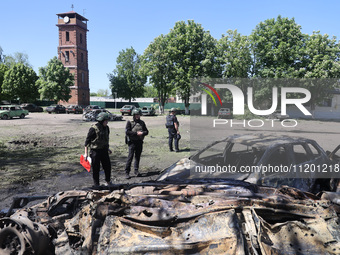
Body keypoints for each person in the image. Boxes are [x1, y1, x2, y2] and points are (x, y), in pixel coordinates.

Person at [84, 112, 112, 188]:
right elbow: (87, 142)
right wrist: (86, 154)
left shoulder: (107, 128)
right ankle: (96, 184)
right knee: (96, 168)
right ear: (101, 120)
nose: (107, 122)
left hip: (104, 150)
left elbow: (105, 140)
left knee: (107, 166)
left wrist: (108, 148)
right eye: (105, 121)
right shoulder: (93, 129)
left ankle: (108, 181)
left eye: (107, 121)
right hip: (95, 152)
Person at [125, 109, 149, 179]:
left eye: (138, 115)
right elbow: (127, 132)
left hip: (139, 142)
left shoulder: (142, 123)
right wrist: (136, 133)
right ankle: (127, 172)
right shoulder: (130, 122)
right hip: (132, 142)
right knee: (130, 157)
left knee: (137, 157)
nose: (137, 116)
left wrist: (142, 133)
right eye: (136, 115)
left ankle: (136, 170)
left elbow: (146, 131)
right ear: (133, 115)